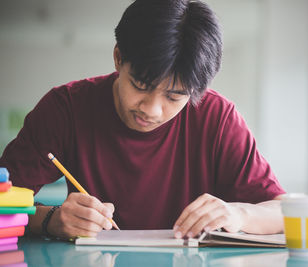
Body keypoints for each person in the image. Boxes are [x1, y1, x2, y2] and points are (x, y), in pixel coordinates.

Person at [0, 0, 285, 240]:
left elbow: (284, 212)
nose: (152, 110)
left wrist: (238, 213)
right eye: (141, 85)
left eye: (174, 97)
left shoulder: (219, 119)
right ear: (118, 58)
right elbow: (2, 203)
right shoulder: (65, 108)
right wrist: (53, 219)